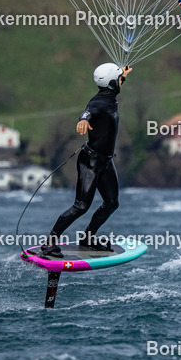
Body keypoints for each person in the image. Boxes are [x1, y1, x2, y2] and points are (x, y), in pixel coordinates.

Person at [41, 63, 132, 257]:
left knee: (112, 203)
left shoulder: (110, 94)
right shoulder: (98, 102)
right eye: (118, 81)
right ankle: (49, 243)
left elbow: (115, 85)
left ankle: (88, 238)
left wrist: (121, 75)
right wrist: (83, 120)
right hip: (90, 162)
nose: (120, 83)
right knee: (81, 206)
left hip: (106, 162)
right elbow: (88, 111)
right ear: (111, 84)